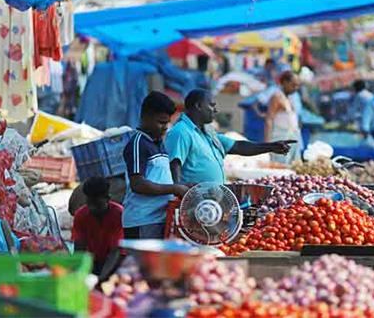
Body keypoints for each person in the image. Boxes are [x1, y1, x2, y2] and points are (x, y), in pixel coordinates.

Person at [166, 89, 294, 185]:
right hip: (194, 202)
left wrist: (272, 146)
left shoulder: (207, 131)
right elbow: (174, 166)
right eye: (211, 105)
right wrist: (179, 194)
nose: (215, 110)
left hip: (211, 200)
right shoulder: (181, 132)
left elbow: (238, 146)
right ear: (198, 106)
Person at [122, 91, 189, 239]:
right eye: (161, 122)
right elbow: (137, 184)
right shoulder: (138, 143)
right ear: (145, 117)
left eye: (167, 122)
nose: (165, 127)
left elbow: (160, 179)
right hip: (143, 220)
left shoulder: (158, 143)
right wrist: (175, 188)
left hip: (159, 217)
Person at [72, 177, 123, 275]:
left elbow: (115, 252)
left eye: (97, 205)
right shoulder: (80, 215)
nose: (93, 209)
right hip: (95, 261)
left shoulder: (119, 214)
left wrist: (101, 279)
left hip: (118, 262)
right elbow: (79, 249)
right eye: (90, 204)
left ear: (108, 198)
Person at [264, 71, 302, 163]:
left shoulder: (289, 98)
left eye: (297, 86)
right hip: (280, 139)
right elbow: (269, 119)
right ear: (284, 82)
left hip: (292, 137)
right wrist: (267, 145)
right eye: (293, 85)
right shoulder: (277, 97)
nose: (295, 88)